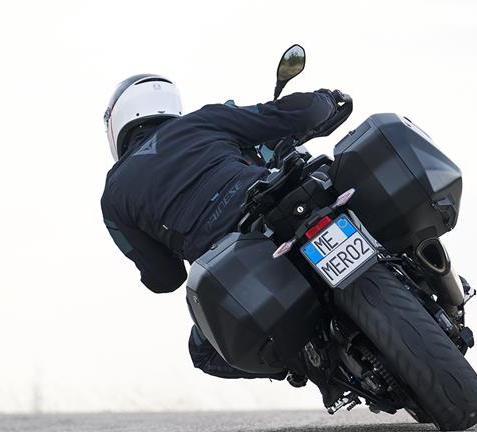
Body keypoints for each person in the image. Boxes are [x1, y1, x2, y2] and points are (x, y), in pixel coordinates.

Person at [101, 74, 345, 404]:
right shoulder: (202, 121)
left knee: (203, 352)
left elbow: (166, 278)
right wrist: (327, 99)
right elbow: (290, 113)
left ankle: (307, 361)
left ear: (117, 122)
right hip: (275, 205)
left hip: (234, 264)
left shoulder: (114, 194)